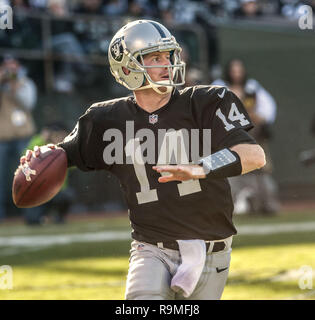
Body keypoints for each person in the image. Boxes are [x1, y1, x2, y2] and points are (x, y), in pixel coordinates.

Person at [21, 20, 265, 300]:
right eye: (155, 57)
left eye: (169, 55)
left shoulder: (207, 101)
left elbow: (254, 155)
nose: (168, 63)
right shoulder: (105, 119)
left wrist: (201, 167)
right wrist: (39, 159)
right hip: (151, 247)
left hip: (211, 247)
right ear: (128, 67)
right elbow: (62, 156)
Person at [213, 59, 279, 215]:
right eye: (233, 70)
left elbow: (268, 110)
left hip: (252, 134)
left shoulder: (252, 87)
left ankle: (267, 204)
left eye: (239, 70)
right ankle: (230, 205)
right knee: (229, 169)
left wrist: (255, 117)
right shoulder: (219, 86)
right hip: (228, 136)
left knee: (262, 168)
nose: (236, 74)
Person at [0, 55, 37, 222]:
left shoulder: (26, 83)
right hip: (2, 138)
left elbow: (28, 104)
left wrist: (14, 87)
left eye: (13, 66)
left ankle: (32, 216)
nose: (10, 70)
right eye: (6, 66)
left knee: (28, 176)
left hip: (23, 137)